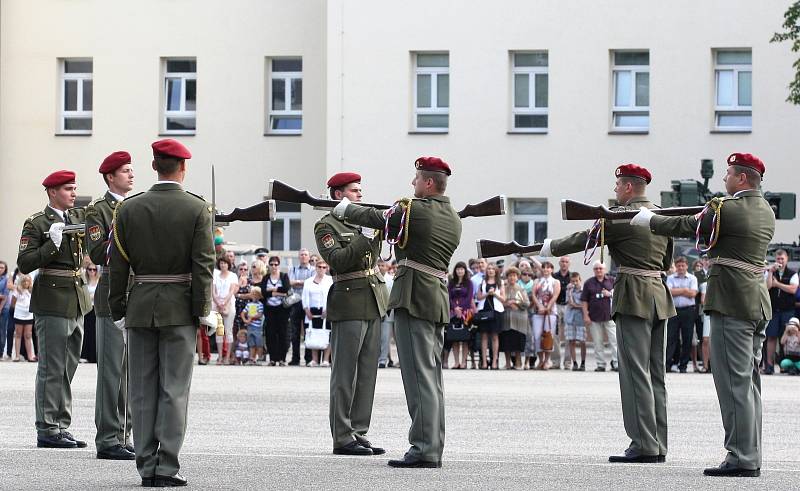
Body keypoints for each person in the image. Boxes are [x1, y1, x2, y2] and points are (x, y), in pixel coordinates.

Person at [632, 152, 772, 477]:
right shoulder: (765, 210)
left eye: (728, 174)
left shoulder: (728, 208)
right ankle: (750, 452)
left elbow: (688, 226)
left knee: (734, 383)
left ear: (741, 178)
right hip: (754, 300)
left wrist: (648, 219)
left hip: (731, 301)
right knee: (749, 384)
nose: (723, 179)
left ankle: (741, 457)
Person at [332, 156, 461, 468]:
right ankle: (431, 444)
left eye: (416, 179)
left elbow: (379, 218)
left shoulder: (414, 209)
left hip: (414, 296)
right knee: (431, 379)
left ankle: (424, 449)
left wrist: (343, 208)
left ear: (429, 183)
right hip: (434, 298)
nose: (412, 184)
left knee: (418, 379)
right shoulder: (453, 216)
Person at [541, 163, 675, 463]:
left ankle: (643, 443)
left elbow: (583, 239)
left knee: (634, 373)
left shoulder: (620, 217)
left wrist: (547, 247)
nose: (614, 190)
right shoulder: (662, 215)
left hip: (633, 296)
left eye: (617, 185)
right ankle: (658, 442)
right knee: (656, 375)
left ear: (628, 187)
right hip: (659, 296)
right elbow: (667, 261)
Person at [108, 138, 215, 487]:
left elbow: (118, 265)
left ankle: (145, 465)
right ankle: (166, 465)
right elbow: (203, 266)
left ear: (154, 166)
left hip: (140, 305)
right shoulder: (197, 209)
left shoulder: (128, 208)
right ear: (183, 168)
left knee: (141, 389)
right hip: (179, 308)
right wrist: (203, 310)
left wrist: (118, 308)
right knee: (173, 389)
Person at [315, 171, 389, 456]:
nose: (360, 195)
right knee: (345, 374)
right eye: (354, 191)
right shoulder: (327, 226)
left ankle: (359, 431)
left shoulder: (362, 222)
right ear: (338, 195)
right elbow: (339, 261)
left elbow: (377, 256)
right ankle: (342, 436)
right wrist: (365, 236)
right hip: (349, 301)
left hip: (374, 299)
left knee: (367, 373)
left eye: (360, 190)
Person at [17, 169, 92, 449]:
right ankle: (47, 428)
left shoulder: (75, 219)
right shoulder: (37, 223)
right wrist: (52, 244)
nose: (74, 194)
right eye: (68, 189)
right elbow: (25, 263)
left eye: (74, 188)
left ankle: (61, 424)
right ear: (52, 192)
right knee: (52, 367)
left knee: (68, 366)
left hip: (76, 298)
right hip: (51, 299)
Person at [85, 150, 136, 459]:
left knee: (129, 372)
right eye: (125, 171)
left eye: (132, 170)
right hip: (110, 291)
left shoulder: (134, 206)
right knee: (111, 371)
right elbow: (98, 249)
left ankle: (123, 432)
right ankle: (107, 438)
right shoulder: (98, 210)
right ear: (110, 177)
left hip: (135, 290)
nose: (131, 174)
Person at [765, 249, 798, 374]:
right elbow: (767, 286)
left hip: (787, 310)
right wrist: (769, 273)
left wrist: (777, 284)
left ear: (787, 259)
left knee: (786, 338)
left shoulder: (792, 273)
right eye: (778, 259)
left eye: (782, 259)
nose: (780, 261)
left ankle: (785, 365)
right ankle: (769, 365)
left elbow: (793, 289)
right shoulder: (771, 272)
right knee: (771, 337)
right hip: (773, 310)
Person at [665, 256, 698, 373]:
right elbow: (668, 293)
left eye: (683, 265)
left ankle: (683, 366)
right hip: (673, 311)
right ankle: (668, 364)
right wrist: (684, 290)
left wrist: (677, 291)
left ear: (687, 266)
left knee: (687, 338)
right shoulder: (670, 278)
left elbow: (693, 294)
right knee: (671, 338)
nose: (680, 268)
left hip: (688, 311)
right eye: (678, 266)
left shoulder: (692, 278)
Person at [302, 260, 333, 367]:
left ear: (327, 268)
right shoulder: (308, 281)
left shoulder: (330, 280)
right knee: (313, 333)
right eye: (319, 267)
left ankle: (325, 360)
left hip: (326, 310)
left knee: (327, 334)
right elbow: (304, 297)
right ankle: (314, 359)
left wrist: (328, 309)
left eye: (324, 267)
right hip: (312, 311)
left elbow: (332, 296)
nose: (321, 269)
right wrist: (306, 310)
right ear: (316, 268)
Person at [260, 256, 291, 366]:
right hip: (270, 309)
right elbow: (263, 292)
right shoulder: (266, 277)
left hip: (282, 309)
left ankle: (282, 358)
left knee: (283, 334)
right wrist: (278, 292)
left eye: (276, 264)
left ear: (279, 265)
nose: (274, 266)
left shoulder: (283, 276)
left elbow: (286, 289)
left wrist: (273, 291)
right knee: (270, 334)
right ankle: (273, 358)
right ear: (269, 265)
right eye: (272, 264)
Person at [531, 261, 560, 370]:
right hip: (538, 311)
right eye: (544, 268)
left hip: (550, 312)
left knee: (548, 336)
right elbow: (534, 294)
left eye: (548, 268)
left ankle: (547, 360)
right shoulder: (537, 281)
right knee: (537, 336)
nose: (546, 270)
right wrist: (539, 306)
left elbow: (556, 295)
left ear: (552, 269)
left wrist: (548, 307)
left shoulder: (555, 282)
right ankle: (540, 360)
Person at [476, 262, 505, 370]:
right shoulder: (482, 282)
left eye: (493, 269)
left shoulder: (500, 282)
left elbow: (503, 299)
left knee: (494, 336)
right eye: (489, 269)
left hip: (496, 310)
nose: (491, 270)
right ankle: (484, 362)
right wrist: (487, 294)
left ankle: (494, 362)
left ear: (496, 271)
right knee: (484, 336)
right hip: (484, 310)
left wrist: (495, 294)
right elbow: (478, 297)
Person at [288, 248, 315, 366]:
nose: (303, 256)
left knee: (308, 330)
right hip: (295, 302)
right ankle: (295, 358)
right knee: (295, 332)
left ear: (309, 257)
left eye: (305, 254)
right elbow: (290, 282)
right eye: (301, 255)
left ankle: (309, 358)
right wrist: (304, 282)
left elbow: (312, 283)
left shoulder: (314, 270)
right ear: (298, 257)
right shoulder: (292, 269)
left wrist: (298, 282)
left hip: (309, 302)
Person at [446, 261, 474, 370]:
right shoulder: (451, 282)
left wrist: (461, 308)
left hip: (465, 313)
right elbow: (448, 296)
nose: (460, 271)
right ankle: (456, 362)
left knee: (465, 338)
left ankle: (463, 362)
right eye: (458, 269)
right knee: (455, 338)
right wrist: (454, 308)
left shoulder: (469, 283)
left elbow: (469, 297)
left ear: (465, 270)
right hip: (453, 312)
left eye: (462, 269)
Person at [501, 267, 529, 370]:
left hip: (519, 319)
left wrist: (515, 302)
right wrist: (506, 303)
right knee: (506, 341)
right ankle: (507, 363)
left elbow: (526, 303)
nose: (512, 278)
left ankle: (518, 362)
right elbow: (500, 300)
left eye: (514, 276)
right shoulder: (504, 288)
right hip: (507, 318)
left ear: (517, 277)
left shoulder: (521, 289)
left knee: (518, 341)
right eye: (510, 276)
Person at [212, 255, 238, 364]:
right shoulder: (215, 275)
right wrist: (218, 302)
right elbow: (213, 291)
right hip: (217, 304)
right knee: (219, 331)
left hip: (229, 304)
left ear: (229, 264)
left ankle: (227, 357)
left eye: (225, 263)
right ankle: (220, 356)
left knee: (228, 330)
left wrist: (224, 303)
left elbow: (232, 290)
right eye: (221, 263)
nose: (223, 265)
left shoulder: (232, 275)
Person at [552, 256, 572, 369]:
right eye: (562, 262)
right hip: (556, 306)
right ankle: (555, 361)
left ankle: (568, 362)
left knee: (568, 334)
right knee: (555, 334)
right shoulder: (554, 276)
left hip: (569, 307)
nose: (564, 263)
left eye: (566, 262)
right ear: (559, 263)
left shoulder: (573, 276)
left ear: (569, 264)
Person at [11, 274, 36, 362]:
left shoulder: (31, 291)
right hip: (19, 315)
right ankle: (17, 356)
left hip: (28, 315)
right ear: (21, 282)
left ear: (30, 282)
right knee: (18, 335)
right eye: (24, 281)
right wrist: (19, 310)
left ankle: (30, 356)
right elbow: (13, 303)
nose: (26, 283)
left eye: (27, 281)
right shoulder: (17, 291)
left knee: (28, 335)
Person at [565, 272, 586, 371]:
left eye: (576, 281)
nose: (575, 283)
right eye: (573, 281)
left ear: (580, 280)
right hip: (570, 318)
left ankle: (583, 362)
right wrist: (569, 291)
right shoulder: (569, 290)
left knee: (582, 341)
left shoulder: (584, 291)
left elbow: (584, 305)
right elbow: (569, 303)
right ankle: (574, 362)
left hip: (581, 318)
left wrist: (576, 306)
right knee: (571, 341)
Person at [377, 259, 396, 369]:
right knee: (375, 338)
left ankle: (383, 360)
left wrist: (386, 310)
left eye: (382, 265)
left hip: (388, 313)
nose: (380, 267)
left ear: (386, 267)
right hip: (374, 312)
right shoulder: (372, 278)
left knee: (385, 338)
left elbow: (392, 297)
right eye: (378, 265)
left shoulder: (391, 280)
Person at [80, 260, 100, 363]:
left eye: (94, 269)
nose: (92, 272)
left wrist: (92, 296)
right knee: (87, 332)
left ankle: (94, 355)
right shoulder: (85, 282)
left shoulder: (99, 281)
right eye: (90, 269)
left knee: (95, 332)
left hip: (95, 308)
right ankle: (85, 355)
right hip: (87, 308)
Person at [241, 287, 264, 364]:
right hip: (250, 327)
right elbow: (243, 313)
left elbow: (259, 314)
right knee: (251, 344)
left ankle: (259, 358)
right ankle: (251, 358)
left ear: (259, 296)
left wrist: (251, 318)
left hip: (257, 327)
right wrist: (245, 320)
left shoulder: (260, 305)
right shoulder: (249, 304)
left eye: (256, 295)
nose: (254, 296)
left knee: (259, 343)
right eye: (253, 294)